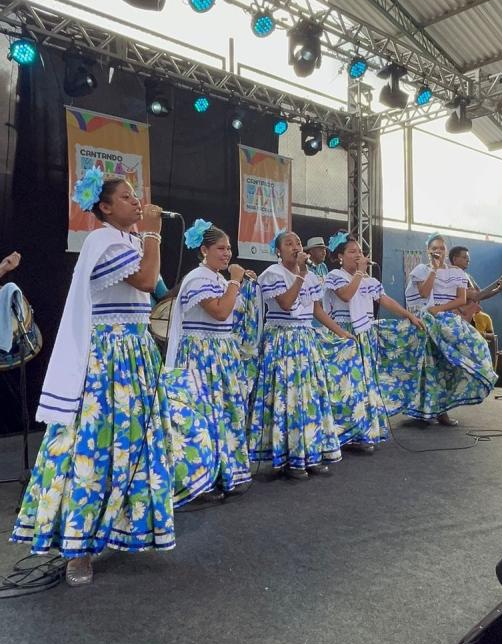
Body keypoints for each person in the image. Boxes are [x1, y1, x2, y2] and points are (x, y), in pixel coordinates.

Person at [10, 170, 193, 586]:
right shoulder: (102, 241)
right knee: (93, 445)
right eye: (127, 197)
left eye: (136, 196)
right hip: (106, 357)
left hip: (136, 352)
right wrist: (154, 235)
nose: (137, 201)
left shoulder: (131, 241)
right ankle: (78, 548)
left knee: (132, 445)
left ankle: (122, 525)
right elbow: (145, 278)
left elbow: (157, 287)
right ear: (105, 207)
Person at [247, 230, 362, 479]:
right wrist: (299, 275)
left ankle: (310, 454)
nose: (296, 246)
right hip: (282, 341)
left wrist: (341, 332)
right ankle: (290, 459)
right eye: (289, 243)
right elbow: (286, 304)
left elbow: (316, 310)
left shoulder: (310, 277)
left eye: (298, 242)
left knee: (308, 399)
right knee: (287, 399)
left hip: (305, 340)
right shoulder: (273, 274)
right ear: (278, 251)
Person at [165, 219, 256, 501]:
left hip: (221, 353)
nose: (227, 253)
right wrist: (235, 281)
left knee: (226, 412)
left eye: (229, 248)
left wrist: (244, 286)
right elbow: (219, 311)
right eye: (220, 248)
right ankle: (201, 479)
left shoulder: (217, 278)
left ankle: (225, 472)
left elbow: (234, 314)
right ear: (204, 250)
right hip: (202, 355)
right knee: (205, 414)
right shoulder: (198, 278)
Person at [320, 232, 425, 445]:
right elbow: (346, 295)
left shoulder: (369, 280)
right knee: (344, 384)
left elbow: (384, 299)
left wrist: (409, 315)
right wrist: (359, 273)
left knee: (364, 383)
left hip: (364, 334)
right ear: (340, 256)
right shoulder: (335, 276)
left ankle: (362, 432)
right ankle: (341, 433)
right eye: (352, 252)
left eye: (360, 251)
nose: (358, 255)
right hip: (344, 334)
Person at [404, 233, 497, 425]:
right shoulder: (422, 269)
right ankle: (423, 412)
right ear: (428, 251)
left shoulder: (457, 273)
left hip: (448, 320)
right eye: (434, 248)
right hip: (427, 321)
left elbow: (462, 299)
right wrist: (434, 270)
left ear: (446, 251)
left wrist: (440, 309)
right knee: (429, 366)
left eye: (441, 248)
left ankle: (443, 410)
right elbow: (423, 293)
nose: (438, 251)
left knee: (467, 352)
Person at [448, 246, 502, 331]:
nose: (468, 260)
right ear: (454, 259)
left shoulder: (468, 276)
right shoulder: (450, 277)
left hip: (468, 319)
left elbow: (481, 295)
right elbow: (477, 296)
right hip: (456, 320)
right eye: (465, 257)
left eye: (468, 258)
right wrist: (497, 283)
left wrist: (498, 289)